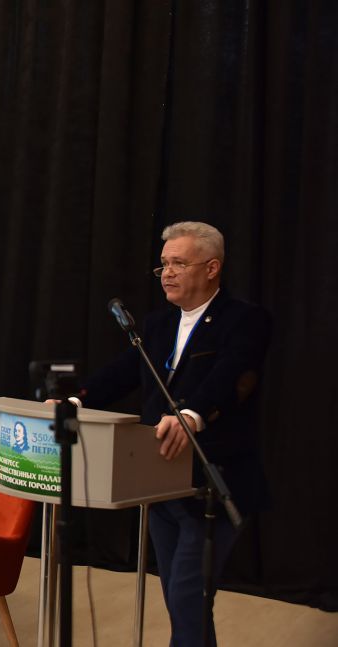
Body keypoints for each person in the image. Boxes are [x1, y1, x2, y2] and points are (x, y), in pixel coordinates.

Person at [78, 221, 271, 646]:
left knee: (188, 596)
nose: (167, 273)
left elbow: (231, 375)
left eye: (179, 263)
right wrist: (75, 400)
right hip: (162, 482)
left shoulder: (245, 319)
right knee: (181, 599)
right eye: (163, 264)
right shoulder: (158, 324)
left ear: (212, 268)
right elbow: (123, 373)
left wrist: (191, 415)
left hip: (213, 484)